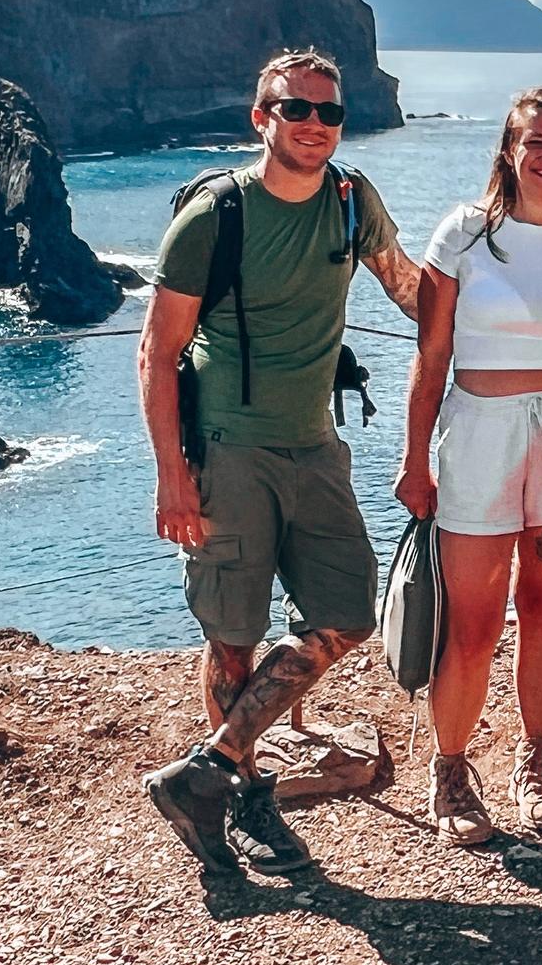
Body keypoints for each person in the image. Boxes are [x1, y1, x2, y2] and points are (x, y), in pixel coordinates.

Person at [139, 48, 424, 876]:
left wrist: (532, 314)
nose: (314, 124)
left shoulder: (350, 201)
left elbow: (410, 289)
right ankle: (245, 800)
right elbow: (158, 351)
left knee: (348, 614)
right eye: (295, 108)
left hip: (315, 447)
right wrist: (172, 475)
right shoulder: (214, 215)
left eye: (329, 112)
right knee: (233, 636)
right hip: (228, 451)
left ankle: (206, 770)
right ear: (261, 118)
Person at [396, 89, 542, 844]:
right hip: (479, 434)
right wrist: (414, 459)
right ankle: (451, 770)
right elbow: (432, 356)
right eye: (537, 142)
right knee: (473, 621)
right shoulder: (464, 233)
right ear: (509, 149)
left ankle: (535, 763)